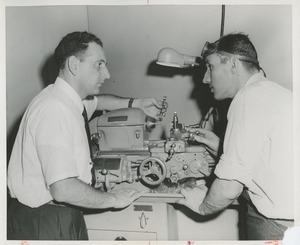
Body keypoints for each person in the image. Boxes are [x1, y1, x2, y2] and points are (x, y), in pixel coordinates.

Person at [7, 31, 167, 240]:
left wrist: (136, 103)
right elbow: (63, 189)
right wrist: (113, 199)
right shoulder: (55, 109)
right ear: (74, 65)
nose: (107, 74)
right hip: (44, 220)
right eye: (99, 64)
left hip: (60, 214)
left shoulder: (68, 100)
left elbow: (99, 102)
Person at [176, 33, 293, 240]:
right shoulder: (278, 93)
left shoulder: (247, 97)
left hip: (275, 226)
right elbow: (266, 159)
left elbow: (229, 188)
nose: (204, 78)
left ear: (232, 64)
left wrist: (202, 206)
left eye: (210, 67)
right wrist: (221, 147)